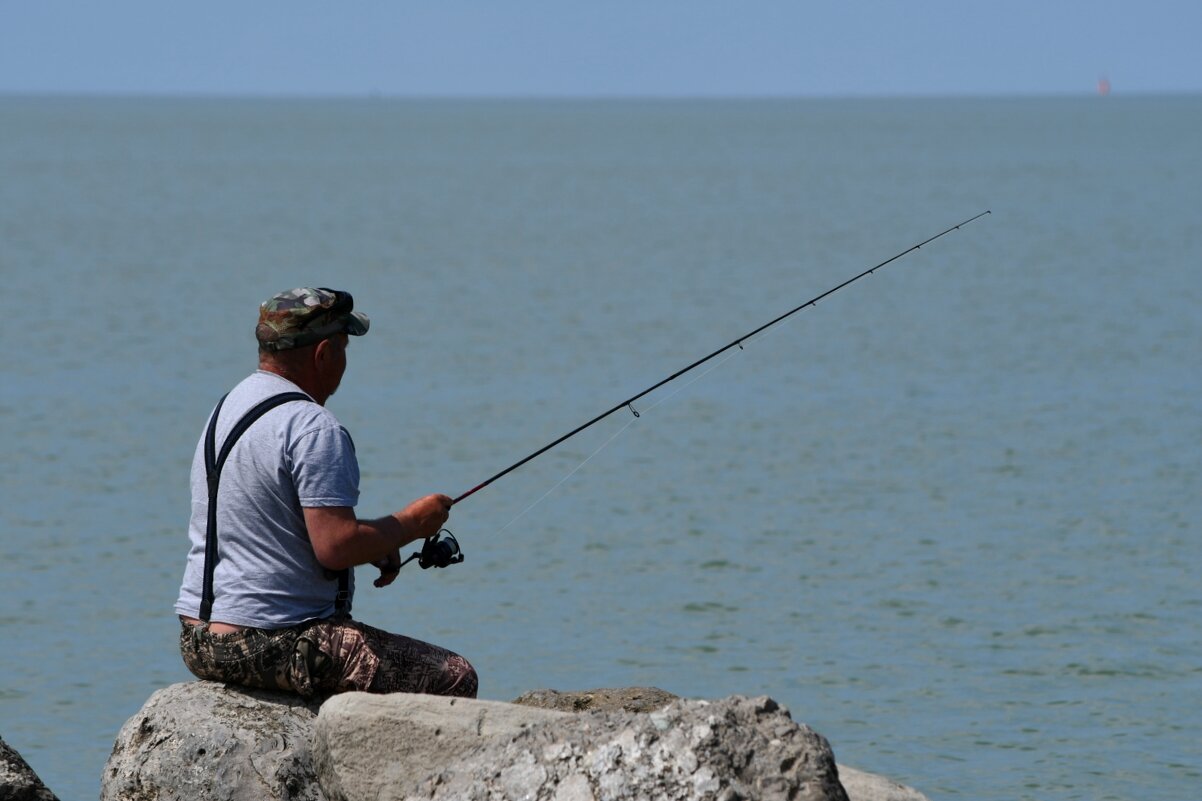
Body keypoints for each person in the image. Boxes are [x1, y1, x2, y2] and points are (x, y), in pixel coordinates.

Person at [174, 287, 477, 699]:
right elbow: (335, 546)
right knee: (454, 675)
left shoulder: (227, 408)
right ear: (323, 354)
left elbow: (279, 528)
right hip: (269, 643)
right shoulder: (314, 427)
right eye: (344, 347)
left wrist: (375, 543)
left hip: (198, 639)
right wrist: (411, 524)